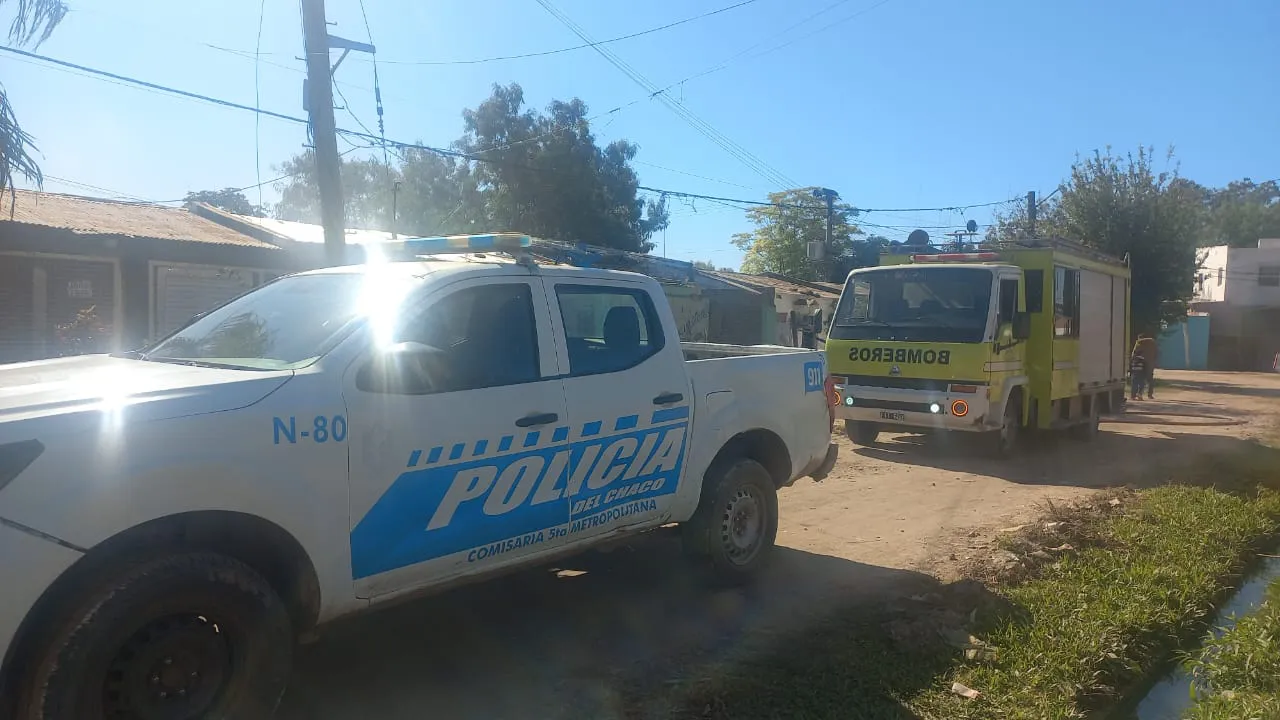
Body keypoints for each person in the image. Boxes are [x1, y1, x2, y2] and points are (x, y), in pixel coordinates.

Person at [1132, 332, 1158, 399]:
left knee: (1137, 379)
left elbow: (1134, 353)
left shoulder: (1139, 342)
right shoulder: (1153, 343)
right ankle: (1150, 394)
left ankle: (1134, 395)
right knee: (1150, 380)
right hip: (1150, 364)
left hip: (1140, 363)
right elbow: (1156, 354)